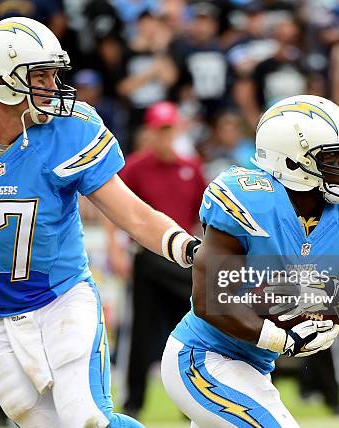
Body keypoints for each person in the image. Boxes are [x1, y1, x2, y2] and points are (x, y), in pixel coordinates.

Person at [0, 17, 200, 428]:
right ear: (1, 79)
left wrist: (190, 249)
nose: (53, 86)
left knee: (87, 418)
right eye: (40, 74)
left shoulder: (69, 133)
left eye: (54, 73)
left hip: (63, 300)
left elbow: (134, 215)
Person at [161, 94, 339, 427]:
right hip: (203, 356)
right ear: (292, 161)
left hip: (254, 367)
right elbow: (210, 300)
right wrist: (283, 339)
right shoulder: (247, 201)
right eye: (333, 157)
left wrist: (331, 292)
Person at [107, 101, 206, 418]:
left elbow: (202, 217)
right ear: (150, 132)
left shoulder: (190, 167)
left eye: (169, 129)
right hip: (148, 258)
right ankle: (133, 402)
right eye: (159, 130)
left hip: (182, 259)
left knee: (191, 332)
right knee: (140, 333)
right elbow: (114, 209)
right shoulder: (135, 166)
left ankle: (192, 401)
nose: (165, 136)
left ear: (177, 129)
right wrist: (115, 249)